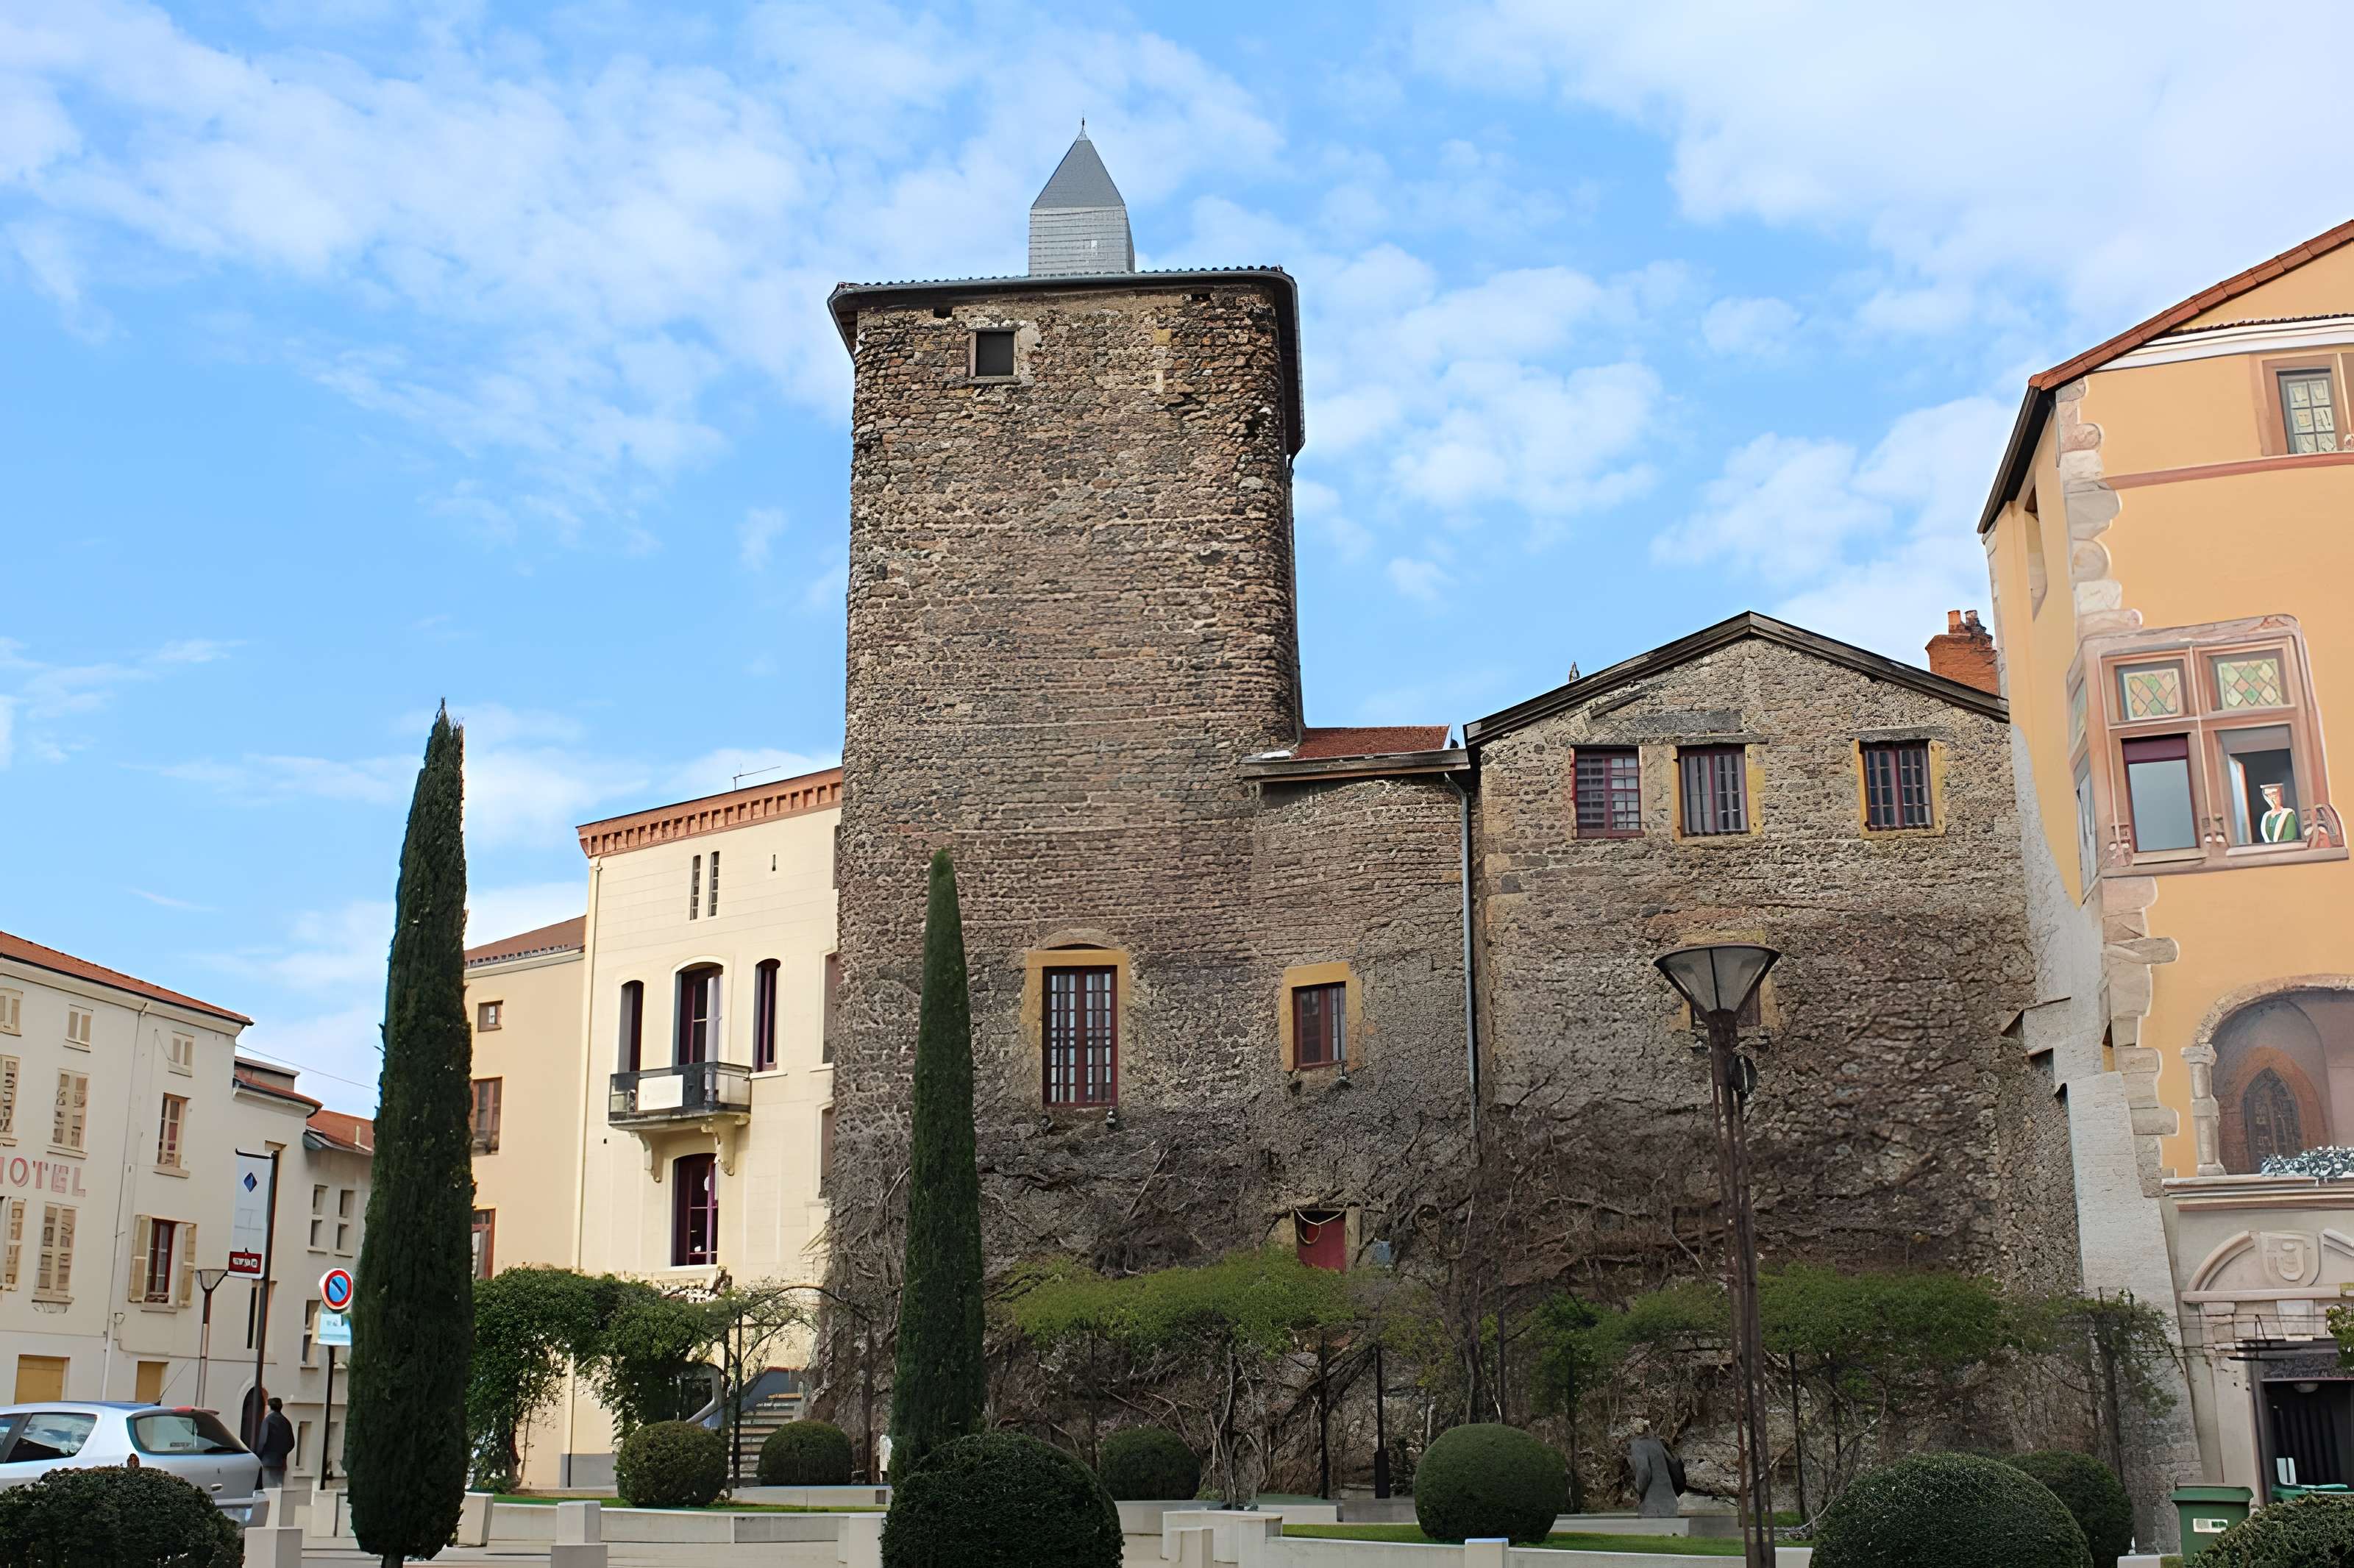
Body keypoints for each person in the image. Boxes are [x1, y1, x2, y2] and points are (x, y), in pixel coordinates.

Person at [255, 1396, 296, 1490]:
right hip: (281, 1462)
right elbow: (292, 1443)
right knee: (278, 1490)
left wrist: (259, 1456)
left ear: (269, 1407)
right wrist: (283, 1454)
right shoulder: (286, 1422)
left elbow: (263, 1441)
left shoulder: (267, 1421)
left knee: (268, 1490)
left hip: (268, 1461)